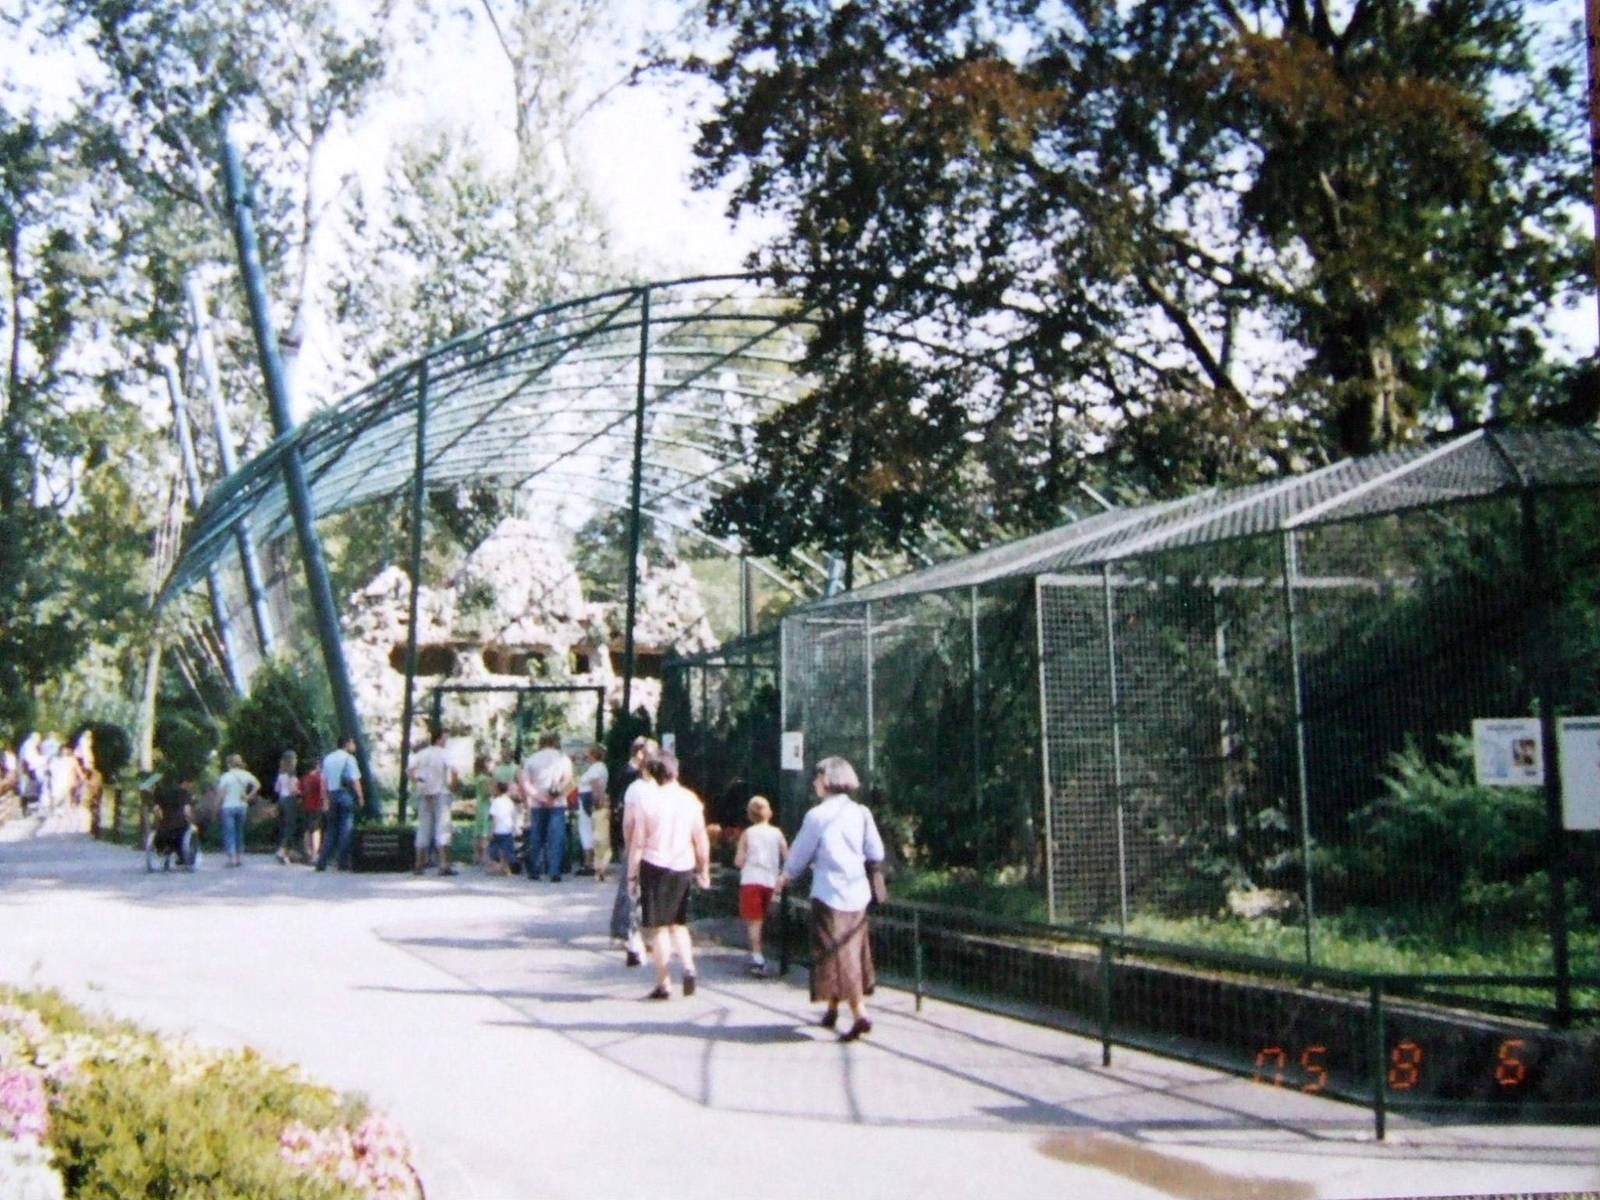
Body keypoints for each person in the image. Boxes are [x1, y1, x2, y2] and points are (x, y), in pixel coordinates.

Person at [776, 756, 884, 1042]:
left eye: (817, 777)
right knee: (853, 950)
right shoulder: (862, 813)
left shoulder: (817, 816)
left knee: (832, 953)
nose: (814, 782)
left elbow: (800, 852)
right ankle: (832, 1010)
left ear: (826, 780)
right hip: (858, 893)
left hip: (828, 892)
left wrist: (785, 876)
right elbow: (876, 851)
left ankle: (860, 1014)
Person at [626, 749, 710, 1000]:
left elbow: (638, 843)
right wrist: (703, 869)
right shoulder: (691, 799)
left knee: (659, 928)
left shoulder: (648, 801)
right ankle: (688, 966)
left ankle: (664, 983)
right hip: (683, 865)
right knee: (679, 923)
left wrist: (632, 875)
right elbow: (700, 838)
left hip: (654, 865)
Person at [610, 736, 655, 966]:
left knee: (631, 885)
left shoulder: (632, 775)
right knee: (629, 884)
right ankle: (624, 929)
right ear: (640, 753)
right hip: (633, 838)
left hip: (637, 838)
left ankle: (627, 930)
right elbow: (625, 813)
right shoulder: (632, 777)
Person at [735, 795, 789, 976]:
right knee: (767, 919)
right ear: (769, 813)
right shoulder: (777, 833)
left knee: (754, 922)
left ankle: (757, 958)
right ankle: (775, 958)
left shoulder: (747, 834)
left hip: (751, 880)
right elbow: (787, 857)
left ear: (750, 815)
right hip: (771, 881)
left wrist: (745, 860)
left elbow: (739, 860)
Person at [521, 732, 574, 882]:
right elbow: (568, 778)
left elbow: (526, 783)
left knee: (536, 836)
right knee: (556, 837)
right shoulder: (563, 758)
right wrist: (556, 794)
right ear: (555, 742)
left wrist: (539, 797)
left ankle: (535, 870)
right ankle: (554, 871)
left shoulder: (531, 759)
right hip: (557, 803)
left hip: (538, 803)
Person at [410, 728, 460, 876]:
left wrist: (418, 782)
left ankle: (419, 864)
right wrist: (455, 785)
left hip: (424, 794)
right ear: (439, 739)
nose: (446, 741)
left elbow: (410, 770)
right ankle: (444, 864)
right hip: (441, 793)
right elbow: (455, 771)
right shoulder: (444, 753)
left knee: (423, 828)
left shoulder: (421, 754)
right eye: (445, 738)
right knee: (442, 828)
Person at [316, 735, 363, 872]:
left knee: (331, 830)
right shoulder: (349, 759)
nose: (354, 745)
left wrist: (324, 799)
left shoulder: (328, 758)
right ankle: (342, 862)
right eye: (353, 742)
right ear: (347, 743)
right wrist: (360, 797)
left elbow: (323, 781)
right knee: (346, 828)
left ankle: (322, 861)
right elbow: (355, 780)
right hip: (345, 795)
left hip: (331, 794)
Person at [216, 753, 262, 868]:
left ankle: (231, 859)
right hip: (242, 806)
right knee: (239, 832)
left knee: (229, 833)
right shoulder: (246, 774)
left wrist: (216, 805)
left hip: (228, 807)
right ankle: (239, 858)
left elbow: (221, 794)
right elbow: (257, 785)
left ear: (229, 764)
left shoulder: (226, 776)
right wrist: (248, 796)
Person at [577, 744, 608, 878]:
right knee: (591, 830)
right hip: (588, 798)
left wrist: (597, 800)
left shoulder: (597, 768)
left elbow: (596, 783)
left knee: (587, 830)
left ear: (593, 755)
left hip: (588, 798)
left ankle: (589, 862)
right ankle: (592, 862)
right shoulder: (598, 767)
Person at [273, 751, 301, 864]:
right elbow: (293, 790)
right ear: (292, 760)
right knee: (290, 827)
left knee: (283, 826)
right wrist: (300, 791)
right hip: (290, 800)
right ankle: (282, 850)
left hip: (281, 800)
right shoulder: (292, 774)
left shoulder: (281, 774)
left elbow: (276, 789)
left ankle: (287, 853)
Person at [486, 781, 518, 875]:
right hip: (508, 829)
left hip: (498, 830)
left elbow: (494, 817)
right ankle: (506, 868)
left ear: (497, 790)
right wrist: (514, 828)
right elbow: (513, 816)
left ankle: (497, 868)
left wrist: (491, 831)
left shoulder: (495, 802)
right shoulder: (510, 802)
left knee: (493, 851)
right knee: (506, 850)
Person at [300, 758, 326, 865]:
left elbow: (298, 790)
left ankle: (307, 852)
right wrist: (325, 803)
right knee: (316, 830)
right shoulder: (319, 778)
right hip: (317, 806)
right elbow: (323, 792)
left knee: (307, 830)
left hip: (306, 806)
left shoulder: (305, 778)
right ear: (317, 766)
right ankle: (315, 855)